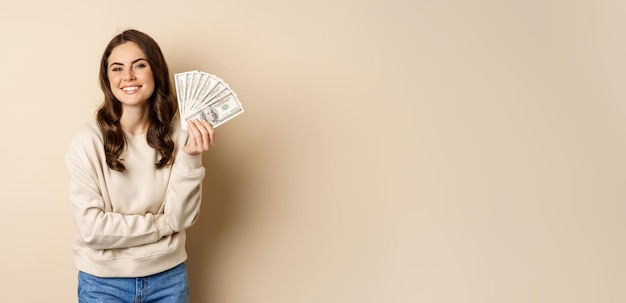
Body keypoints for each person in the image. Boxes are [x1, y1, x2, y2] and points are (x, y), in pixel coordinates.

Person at [65, 29, 214, 302]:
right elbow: (92, 230)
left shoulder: (183, 135)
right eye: (117, 68)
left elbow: (181, 218)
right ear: (107, 78)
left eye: (140, 65)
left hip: (169, 278)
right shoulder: (87, 141)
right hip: (103, 283)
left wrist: (191, 157)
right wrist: (161, 225)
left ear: (155, 72)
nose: (128, 76)